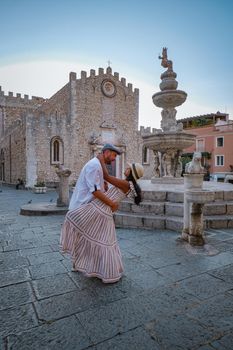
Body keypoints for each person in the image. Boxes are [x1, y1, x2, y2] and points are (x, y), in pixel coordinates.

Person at [60, 152, 144, 284]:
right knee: (98, 239)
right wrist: (105, 187)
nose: (125, 169)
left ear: (130, 172)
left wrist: (100, 159)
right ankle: (96, 268)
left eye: (128, 168)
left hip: (100, 210)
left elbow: (107, 176)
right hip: (102, 210)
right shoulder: (126, 184)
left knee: (72, 217)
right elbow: (109, 186)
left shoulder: (126, 184)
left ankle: (106, 272)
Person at [68, 143, 121, 211]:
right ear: (107, 152)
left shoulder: (96, 164)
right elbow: (95, 191)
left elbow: (94, 187)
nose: (114, 159)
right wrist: (112, 204)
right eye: (114, 155)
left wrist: (102, 186)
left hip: (85, 208)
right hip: (81, 209)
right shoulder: (94, 165)